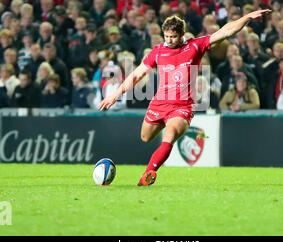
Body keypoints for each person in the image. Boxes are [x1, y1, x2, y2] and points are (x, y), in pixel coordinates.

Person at [98, 10, 271, 186]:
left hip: (183, 106)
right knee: (145, 137)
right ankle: (150, 169)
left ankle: (147, 175)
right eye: (166, 36)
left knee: (170, 133)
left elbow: (225, 31)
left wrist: (247, 17)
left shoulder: (195, 46)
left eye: (173, 36)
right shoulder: (158, 52)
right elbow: (137, 74)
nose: (169, 40)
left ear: (181, 34)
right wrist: (115, 94)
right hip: (159, 103)